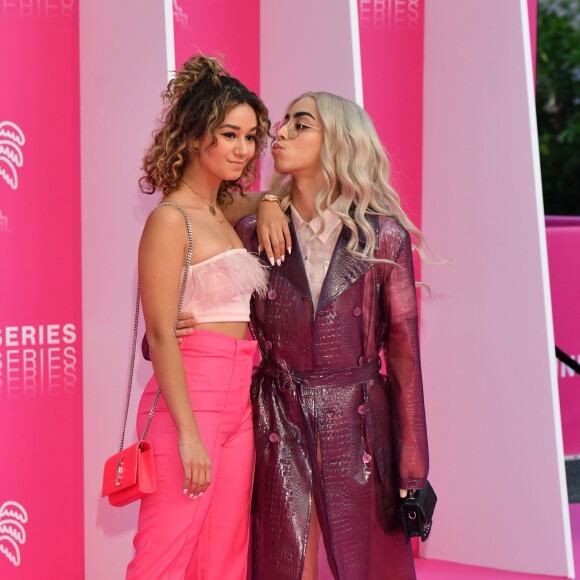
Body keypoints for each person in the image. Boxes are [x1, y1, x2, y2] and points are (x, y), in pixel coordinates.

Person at [236, 92, 430, 580]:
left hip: (357, 416)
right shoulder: (251, 233)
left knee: (364, 561)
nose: (278, 133)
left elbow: (404, 358)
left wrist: (413, 468)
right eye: (282, 122)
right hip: (276, 410)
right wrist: (265, 203)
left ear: (339, 142)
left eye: (301, 125)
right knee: (283, 557)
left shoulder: (383, 236)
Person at [126, 54, 270, 580]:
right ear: (192, 137)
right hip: (193, 395)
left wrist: (270, 202)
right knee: (164, 554)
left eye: (251, 137)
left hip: (239, 398)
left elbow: (256, 198)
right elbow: (162, 333)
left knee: (223, 556)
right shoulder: (170, 219)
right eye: (229, 134)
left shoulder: (219, 210)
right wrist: (188, 432)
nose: (243, 148)